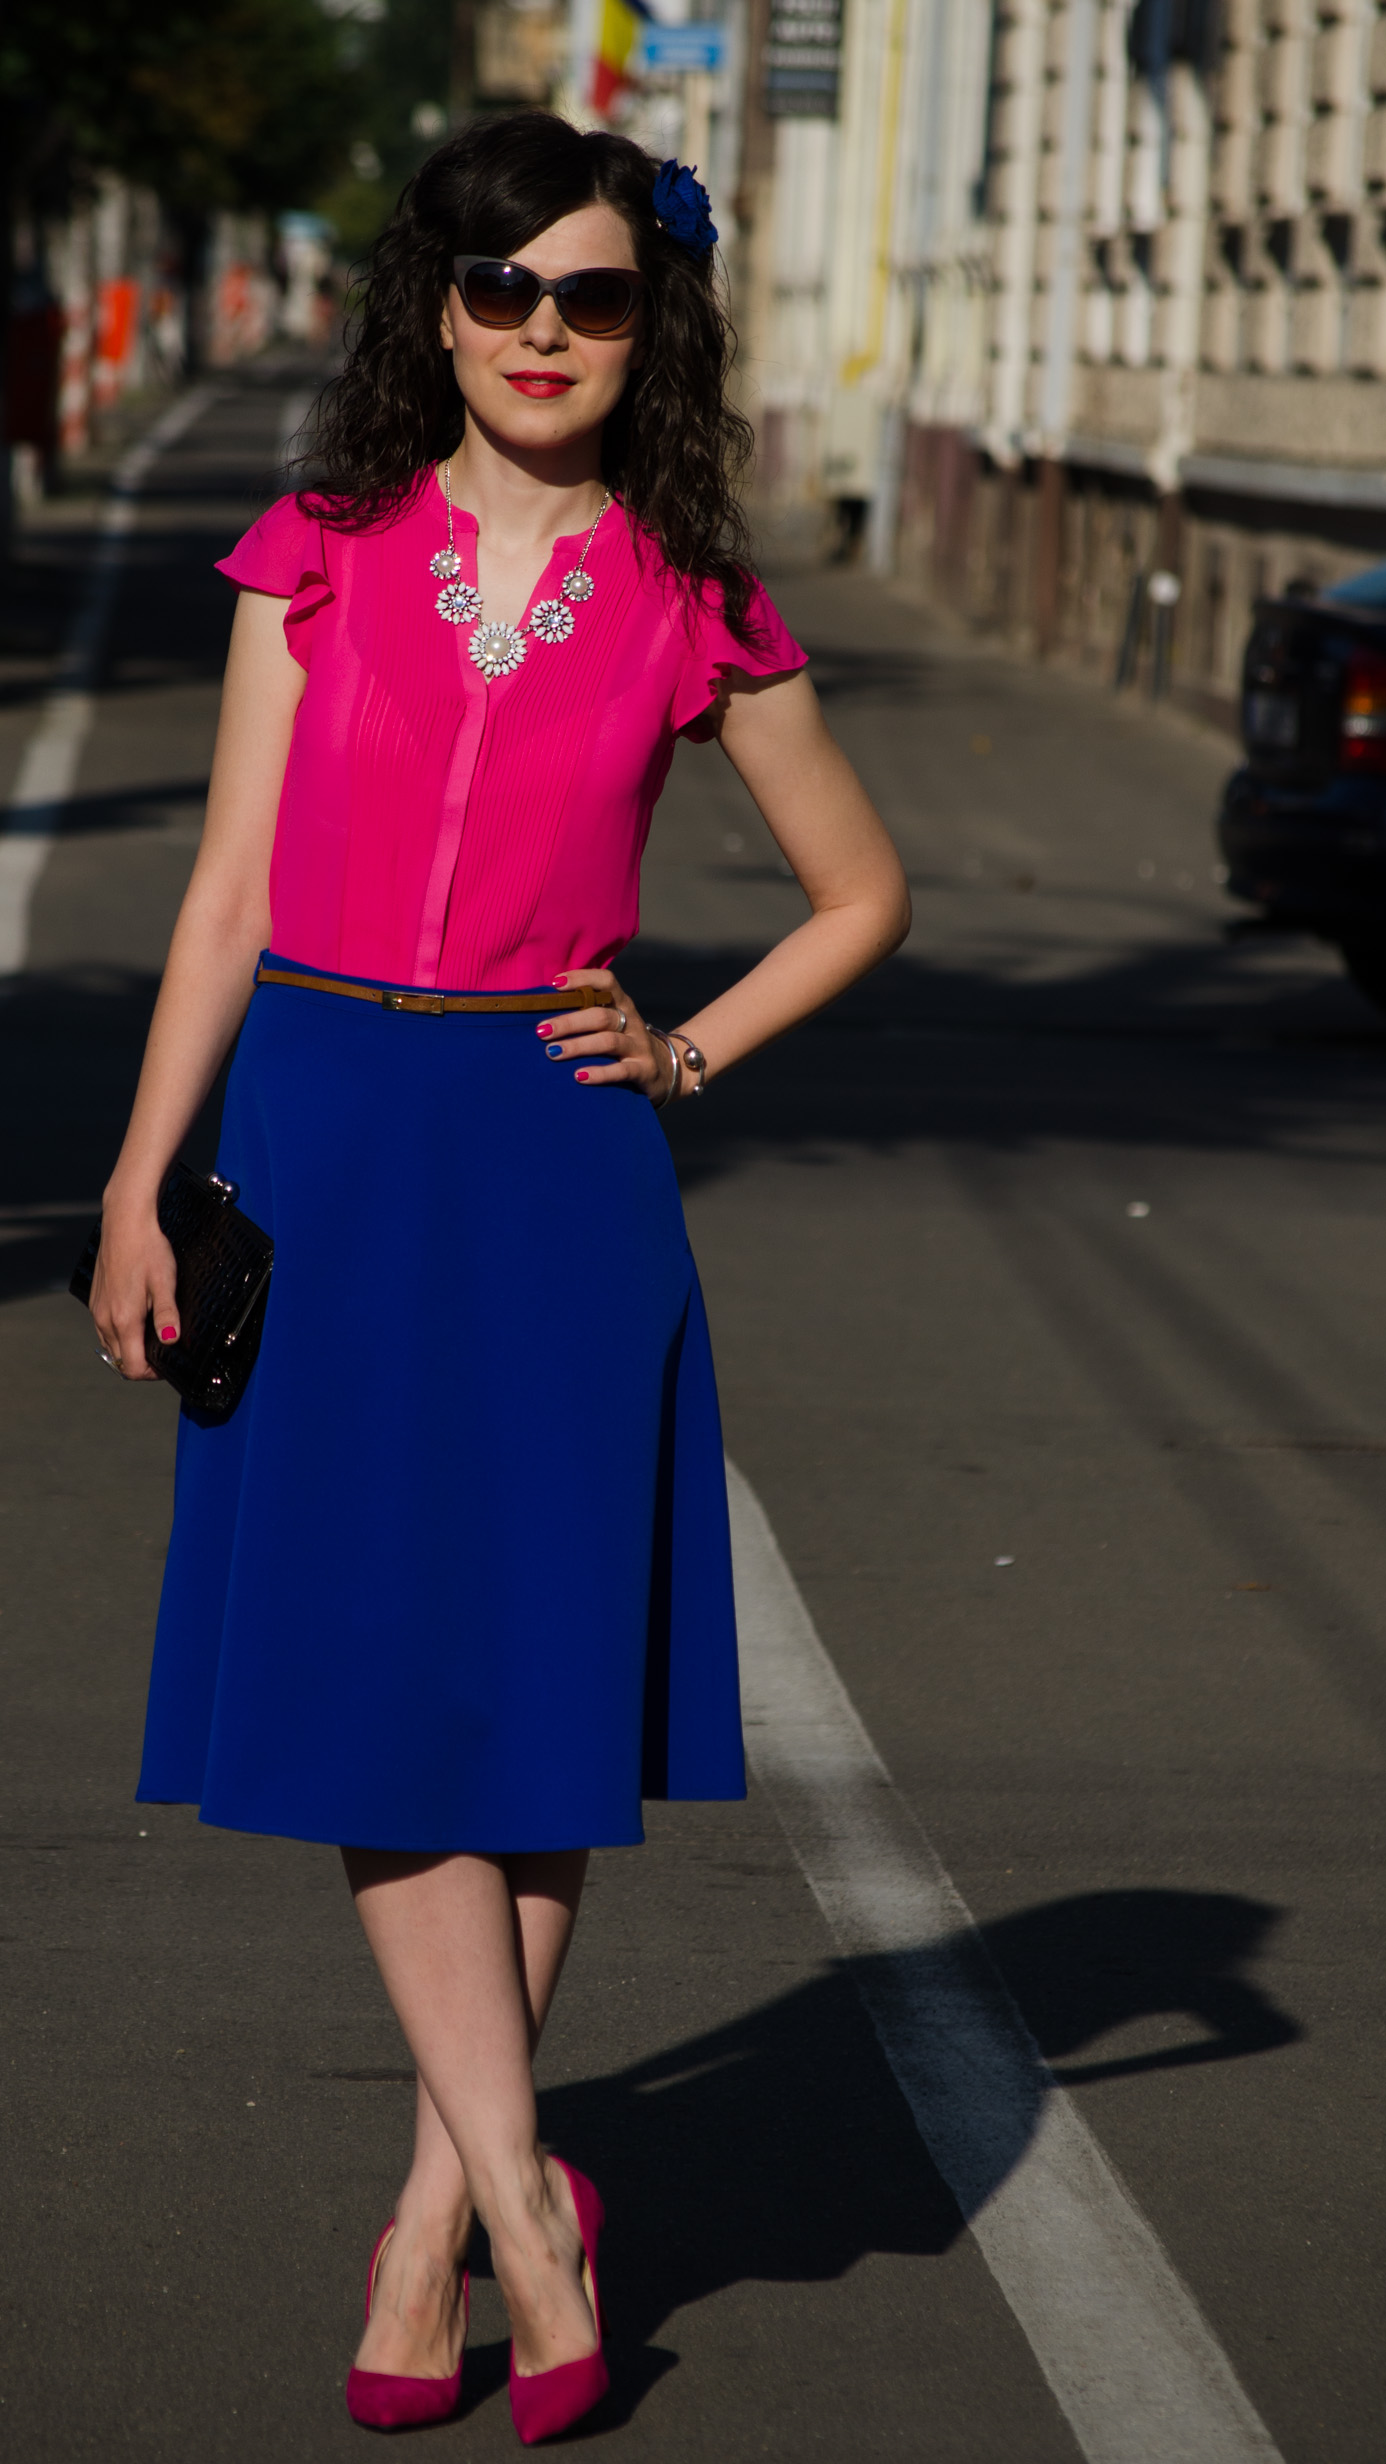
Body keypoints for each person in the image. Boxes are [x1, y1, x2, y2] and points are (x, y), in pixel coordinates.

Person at [87, 111, 909, 2441]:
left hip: (558, 1164)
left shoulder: (695, 593)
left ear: (651, 320)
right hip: (326, 1141)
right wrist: (145, 1178)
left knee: (533, 1694)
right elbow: (228, 893)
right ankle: (533, 2209)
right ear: (432, 310)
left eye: (591, 296)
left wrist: (689, 1046)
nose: (541, 332)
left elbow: (863, 892)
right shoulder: (315, 552)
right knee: (373, 1680)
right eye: (497, 292)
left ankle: (441, 2218)